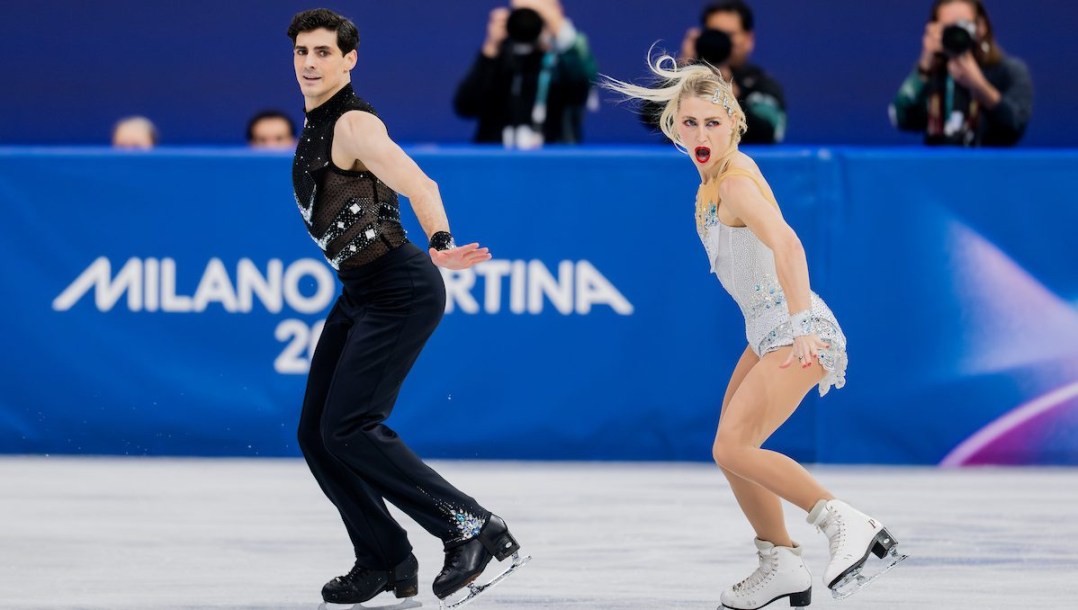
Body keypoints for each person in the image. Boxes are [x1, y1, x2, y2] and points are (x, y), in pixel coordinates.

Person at [603, 57, 906, 609]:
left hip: (796, 328)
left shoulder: (736, 183)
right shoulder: (712, 181)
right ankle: (781, 564)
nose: (701, 134)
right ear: (673, 125)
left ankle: (847, 525)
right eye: (689, 122)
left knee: (733, 444)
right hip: (767, 331)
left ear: (734, 121)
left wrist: (801, 324)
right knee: (732, 451)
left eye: (712, 123)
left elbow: (789, 245)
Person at [285, 9, 527, 607]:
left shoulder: (354, 123)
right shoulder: (317, 121)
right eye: (301, 52)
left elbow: (423, 186)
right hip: (361, 291)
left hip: (401, 287)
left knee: (350, 427)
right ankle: (385, 559)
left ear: (349, 60)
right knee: (318, 435)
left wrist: (441, 243)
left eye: (323, 52)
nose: (310, 63)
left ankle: (471, 525)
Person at [453, 0, 598, 148]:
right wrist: (490, 48)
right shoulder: (500, 56)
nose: (528, 21)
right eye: (522, 13)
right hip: (496, 162)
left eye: (535, 15)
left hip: (553, 162)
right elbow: (465, 106)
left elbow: (582, 87)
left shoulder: (562, 59)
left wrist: (561, 34)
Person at [890, 0, 1032, 146]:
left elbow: (1016, 124)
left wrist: (980, 86)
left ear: (981, 26)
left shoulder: (1008, 71)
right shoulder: (932, 74)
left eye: (963, 25)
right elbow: (900, 119)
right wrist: (924, 67)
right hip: (940, 166)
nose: (956, 34)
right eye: (948, 27)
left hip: (989, 165)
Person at [677, 1, 786, 144]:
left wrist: (730, 95)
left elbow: (770, 132)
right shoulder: (687, 80)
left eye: (729, 35)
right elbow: (650, 116)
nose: (721, 42)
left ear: (748, 39)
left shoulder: (759, 83)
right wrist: (682, 69)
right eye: (715, 34)